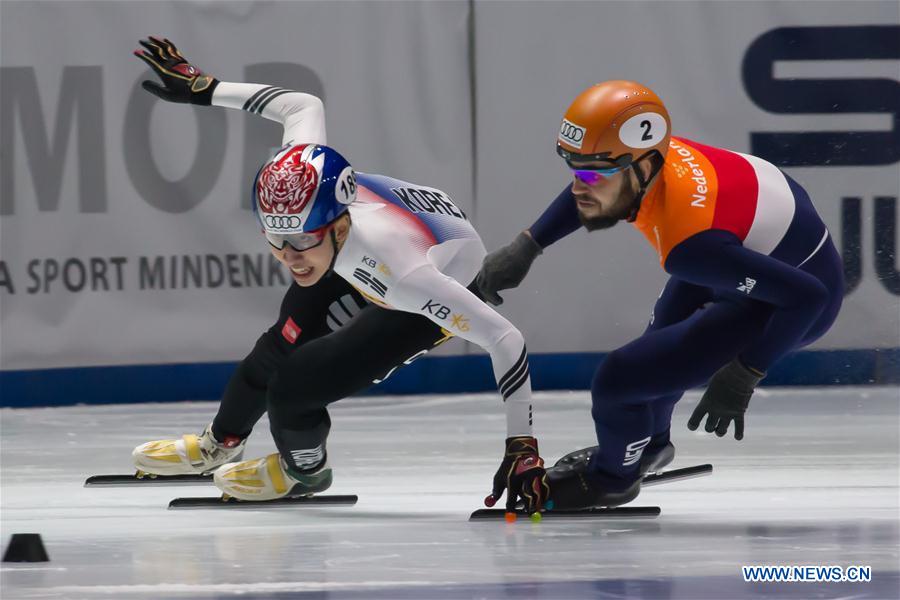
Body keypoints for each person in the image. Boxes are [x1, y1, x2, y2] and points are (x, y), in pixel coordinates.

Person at [129, 37, 548, 512]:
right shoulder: (306, 178)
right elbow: (301, 105)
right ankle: (219, 444)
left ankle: (304, 471)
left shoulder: (405, 278)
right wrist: (206, 89)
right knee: (279, 344)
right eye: (275, 239)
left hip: (429, 277)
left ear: (340, 224)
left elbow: (505, 338)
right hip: (365, 245)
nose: (289, 256)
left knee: (296, 387)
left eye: (301, 240)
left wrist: (522, 445)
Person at [476, 80, 843, 509]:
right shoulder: (653, 159)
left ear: (645, 167)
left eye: (593, 173)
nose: (579, 186)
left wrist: (745, 373)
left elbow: (809, 297)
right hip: (750, 252)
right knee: (657, 348)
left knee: (619, 381)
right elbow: (597, 179)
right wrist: (528, 244)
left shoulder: (688, 246)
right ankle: (649, 446)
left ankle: (612, 479)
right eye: (575, 169)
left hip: (787, 304)